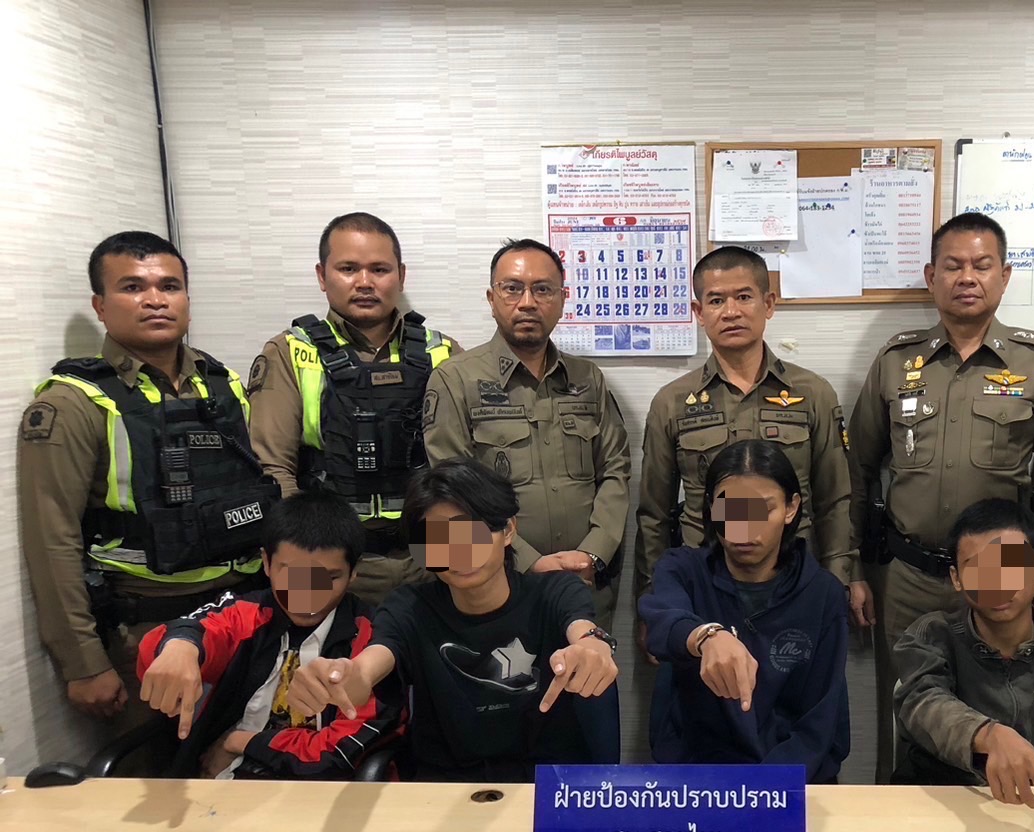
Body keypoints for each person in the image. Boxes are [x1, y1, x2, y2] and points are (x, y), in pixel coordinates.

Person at [848, 211, 1034, 780]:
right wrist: (853, 569)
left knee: (1006, 712)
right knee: (906, 713)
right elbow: (855, 471)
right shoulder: (896, 360)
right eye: (953, 266)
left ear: (1005, 276)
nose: (967, 277)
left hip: (1005, 578)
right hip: (910, 576)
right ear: (932, 277)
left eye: (981, 265)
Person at [19, 231, 276, 733]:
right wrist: (83, 663)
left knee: (252, 755)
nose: (155, 299)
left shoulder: (223, 385)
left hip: (245, 613)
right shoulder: (74, 403)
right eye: (132, 287)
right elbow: (52, 540)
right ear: (100, 305)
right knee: (164, 769)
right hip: (146, 629)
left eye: (170, 286)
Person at [287, 459, 619, 782]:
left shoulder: (553, 591)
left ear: (507, 530)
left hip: (545, 786)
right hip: (445, 788)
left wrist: (594, 647)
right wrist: (341, 678)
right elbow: (369, 666)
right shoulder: (410, 608)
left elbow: (584, 632)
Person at [246, 211, 460, 605]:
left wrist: (460, 559)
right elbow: (273, 468)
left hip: (432, 558)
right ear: (322, 275)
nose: (364, 282)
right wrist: (314, 556)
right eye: (348, 268)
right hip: (331, 561)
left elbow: (462, 467)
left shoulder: (442, 351)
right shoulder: (290, 353)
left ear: (401, 276)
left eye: (379, 269)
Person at [425, 238, 630, 630]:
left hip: (586, 581)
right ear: (491, 298)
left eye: (543, 289)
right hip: (497, 583)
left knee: (588, 667)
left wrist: (594, 553)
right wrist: (528, 561)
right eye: (512, 288)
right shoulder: (454, 380)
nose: (527, 303)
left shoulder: (587, 378)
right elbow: (451, 492)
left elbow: (615, 471)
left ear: (563, 299)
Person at [635, 246, 852, 603]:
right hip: (702, 584)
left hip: (795, 580)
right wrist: (654, 596)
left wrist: (840, 579)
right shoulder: (672, 402)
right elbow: (654, 514)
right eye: (716, 300)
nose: (731, 311)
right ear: (699, 312)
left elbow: (835, 499)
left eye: (744, 297)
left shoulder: (813, 394)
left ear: (768, 304)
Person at [135, 491, 400, 779]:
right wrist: (180, 646)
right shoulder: (247, 612)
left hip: (317, 792)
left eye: (329, 578)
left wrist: (240, 742)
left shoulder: (373, 640)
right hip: (219, 786)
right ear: (266, 562)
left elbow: (337, 756)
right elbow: (193, 631)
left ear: (354, 572)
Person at [639, 440, 849, 783]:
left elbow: (820, 725)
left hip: (789, 781)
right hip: (696, 778)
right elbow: (663, 621)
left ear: (791, 508)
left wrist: (762, 790)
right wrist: (706, 636)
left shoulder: (823, 594)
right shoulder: (682, 570)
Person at [892, 499, 1034, 800]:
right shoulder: (930, 637)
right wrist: (987, 735)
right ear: (957, 578)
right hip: (939, 805)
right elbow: (922, 703)